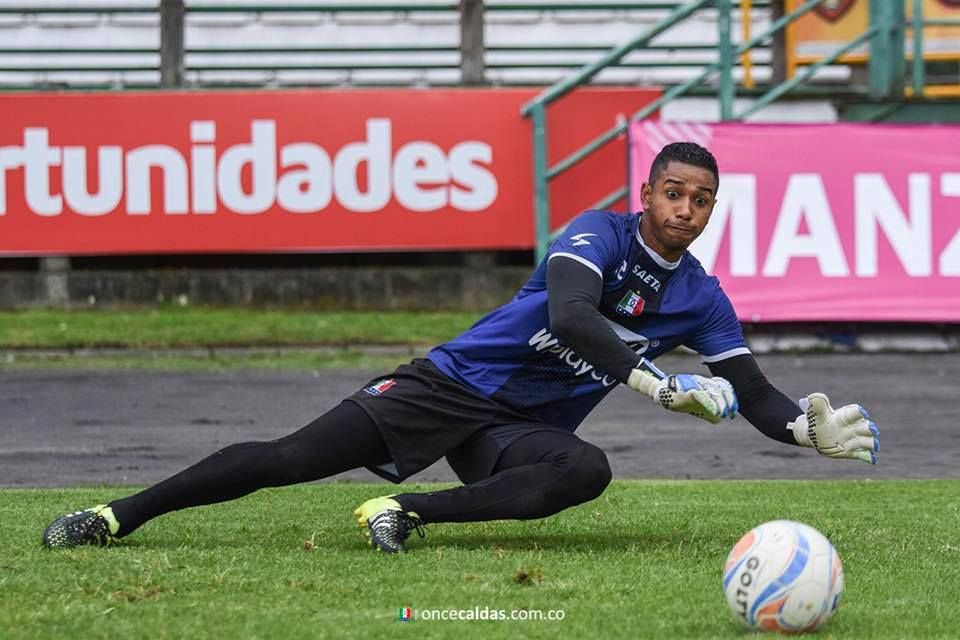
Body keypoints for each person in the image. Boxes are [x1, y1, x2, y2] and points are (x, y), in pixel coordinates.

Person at [42, 142, 880, 554]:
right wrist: (658, 386)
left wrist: (801, 432)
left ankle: (405, 512)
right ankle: (121, 515)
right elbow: (573, 318)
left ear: (711, 209)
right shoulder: (598, 232)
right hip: (449, 384)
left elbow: (756, 390)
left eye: (702, 201)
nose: (686, 210)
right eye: (674, 193)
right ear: (647, 193)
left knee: (583, 471)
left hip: (511, 428)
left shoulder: (701, 294)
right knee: (291, 455)